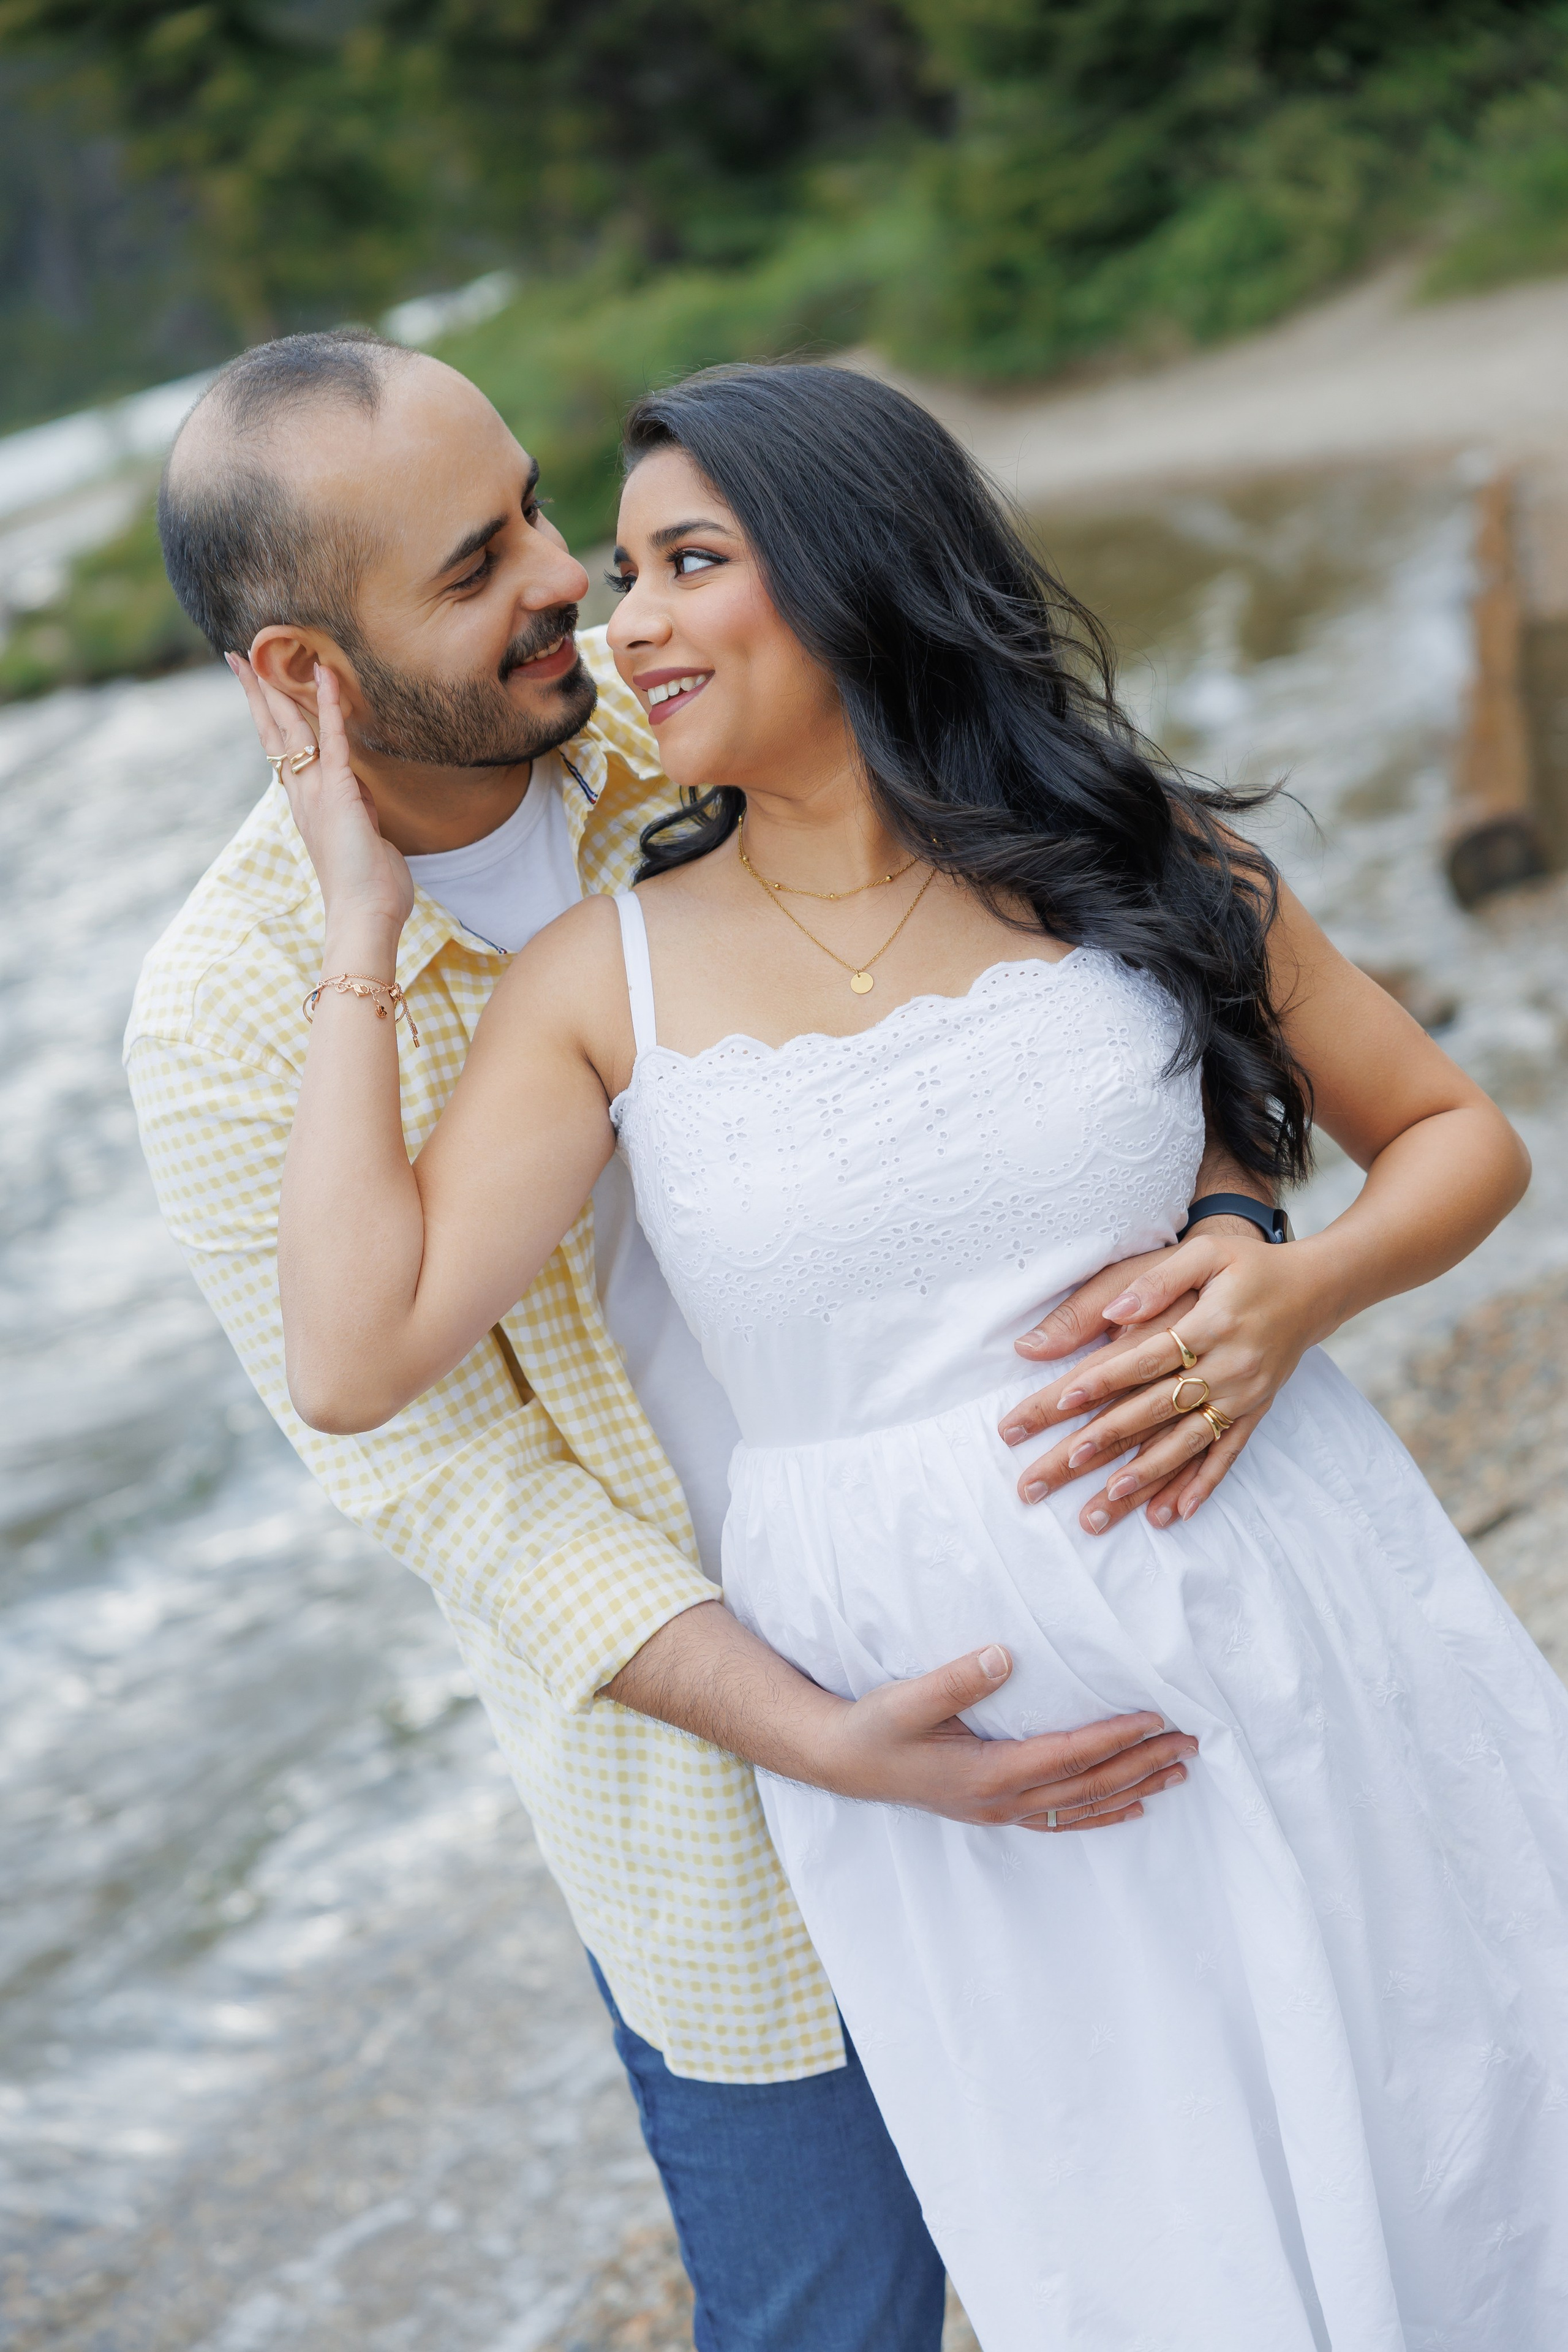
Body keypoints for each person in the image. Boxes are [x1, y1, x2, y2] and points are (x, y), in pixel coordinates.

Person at [258, 355, 1568, 2350]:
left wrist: (1292, 1288)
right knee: (1164, 2261)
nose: (626, 622)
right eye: (627, 573)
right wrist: (355, 925)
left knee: (1461, 2149)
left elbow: (1461, 1139)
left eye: (688, 563)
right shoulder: (595, 984)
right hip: (973, 1793)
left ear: (856, 565)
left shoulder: (1125, 851)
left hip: (1297, 1625)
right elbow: (358, 1361)